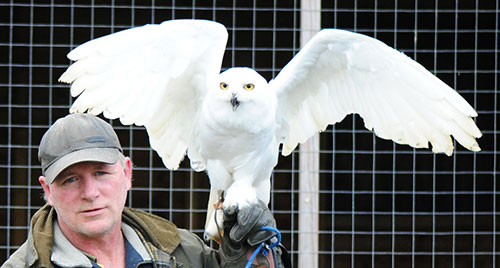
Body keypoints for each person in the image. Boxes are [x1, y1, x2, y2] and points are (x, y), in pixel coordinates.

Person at [2, 113, 289, 268]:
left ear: (127, 173)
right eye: (70, 180)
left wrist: (256, 252)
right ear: (47, 191)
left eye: (101, 173)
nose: (90, 192)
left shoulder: (183, 253)